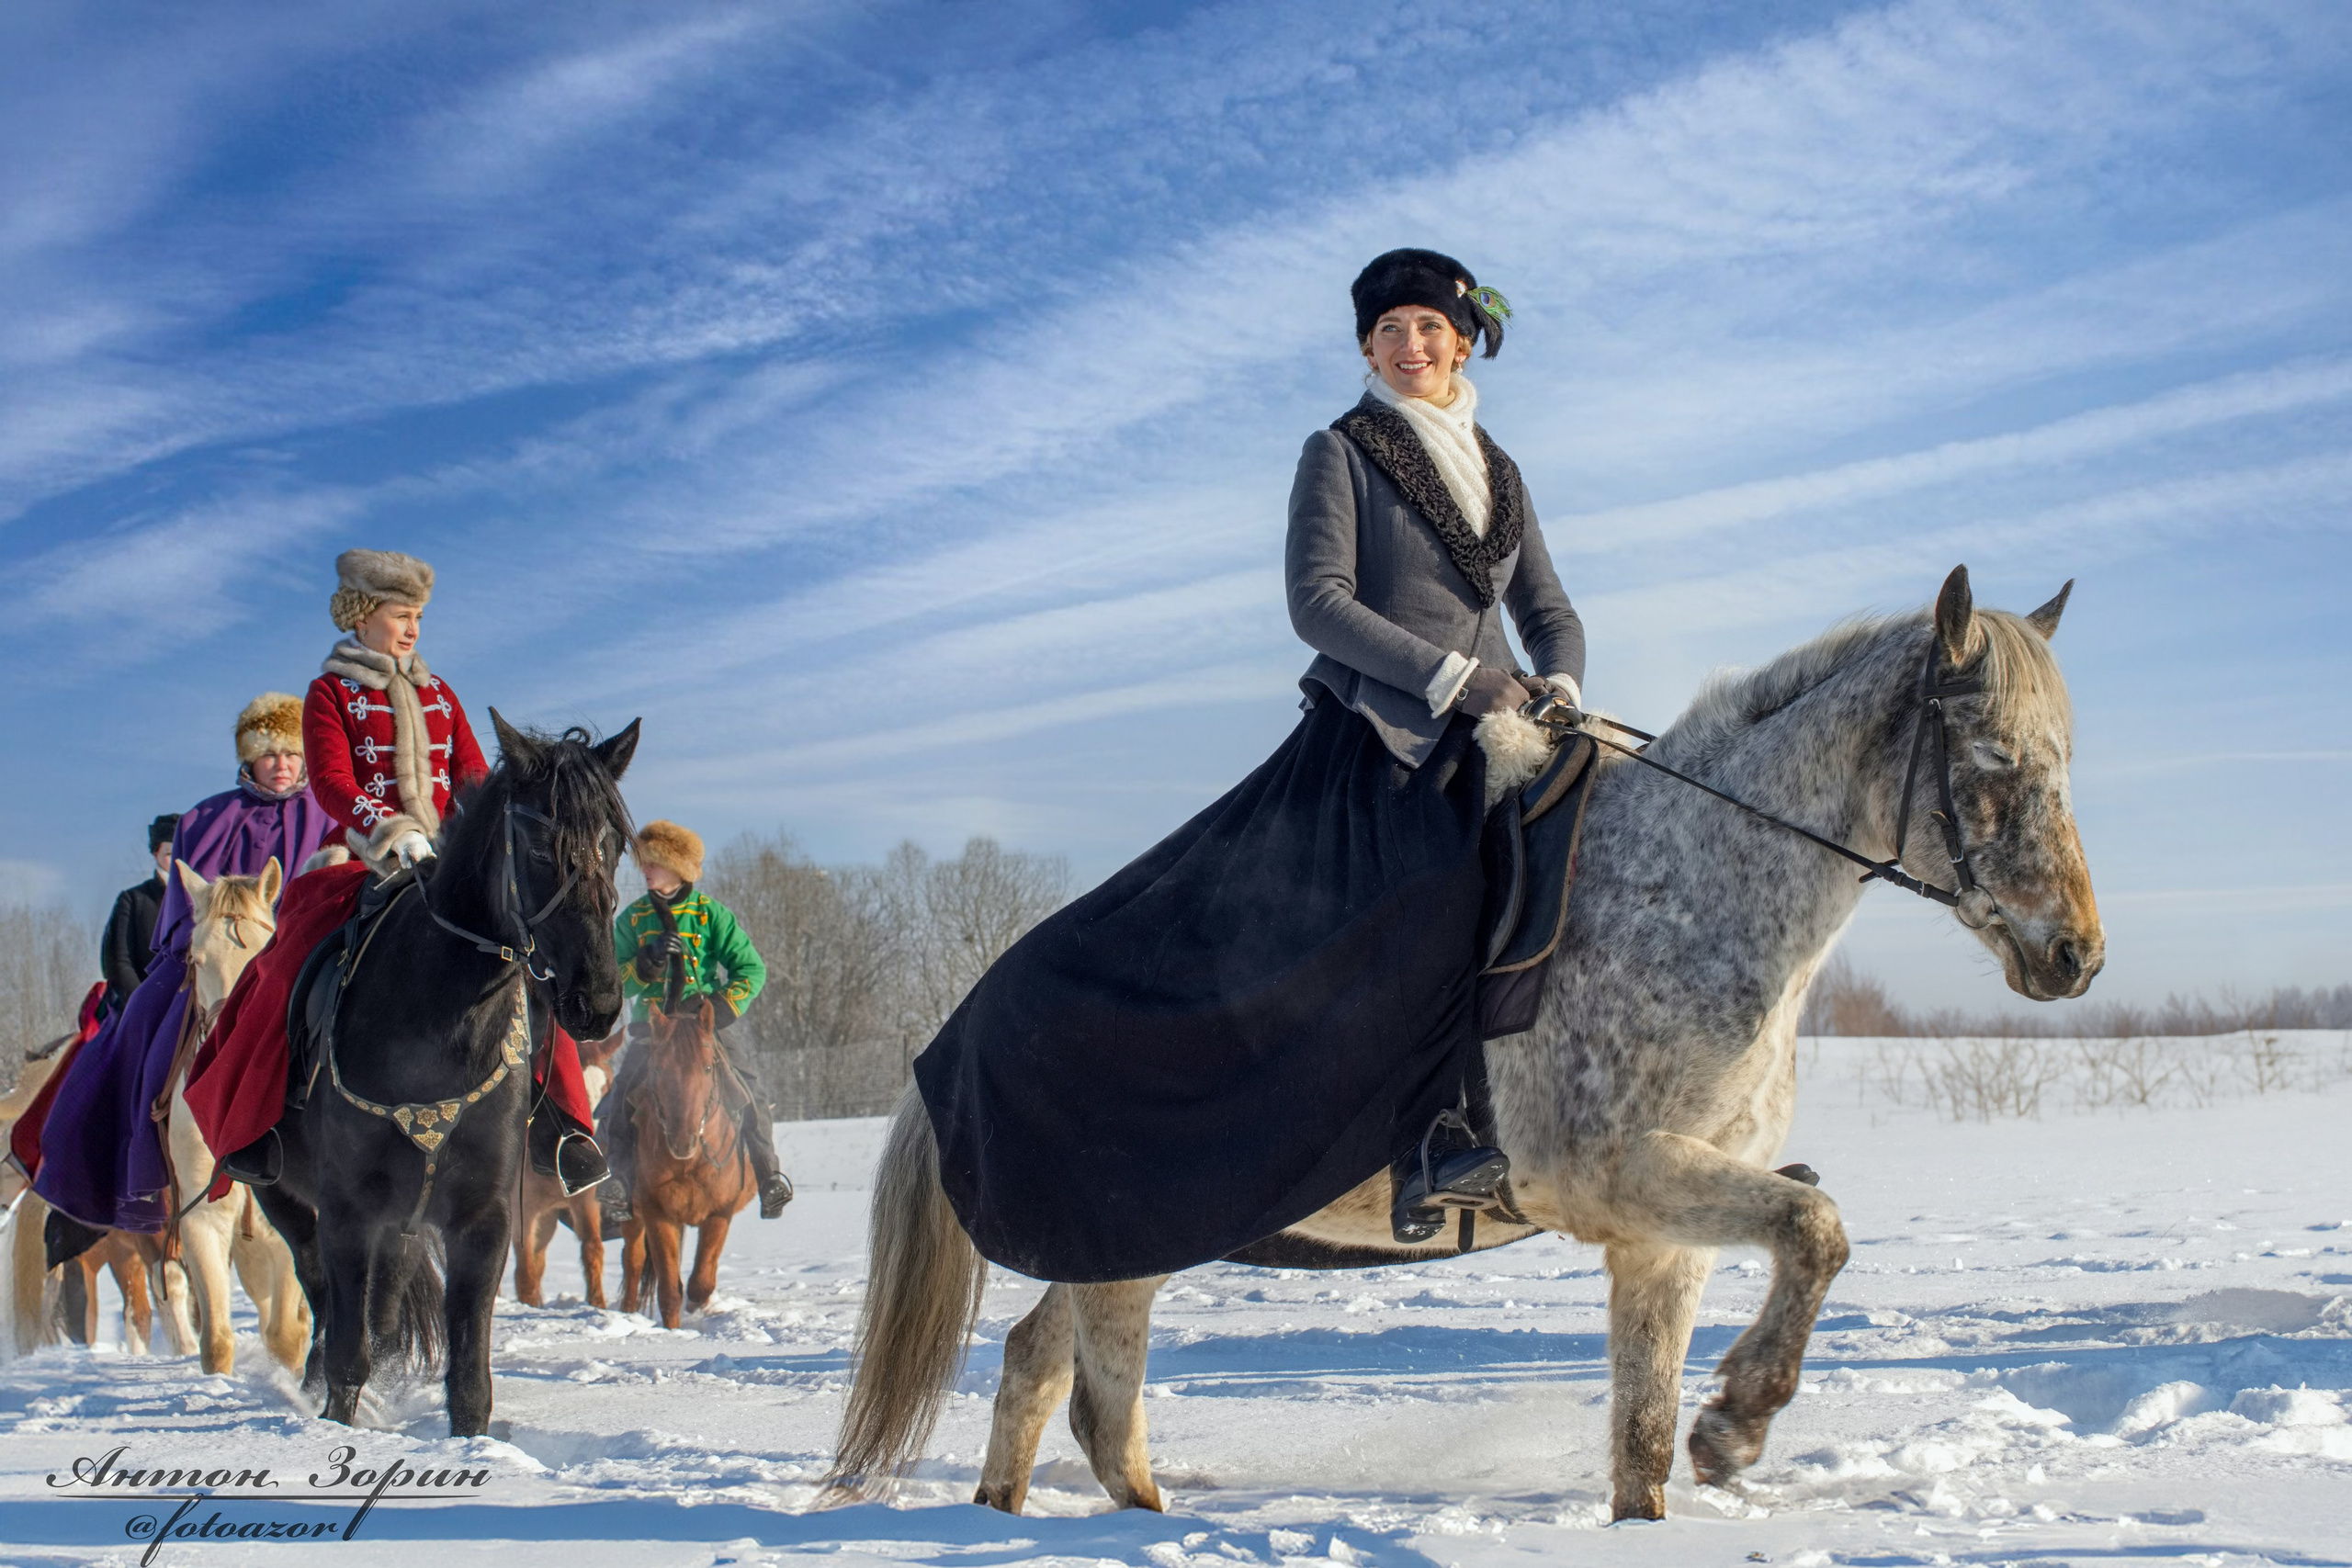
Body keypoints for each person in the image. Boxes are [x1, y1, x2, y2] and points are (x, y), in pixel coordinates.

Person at [910, 248, 1586, 1281]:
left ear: (1460, 342)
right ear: (1368, 348)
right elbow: (1318, 602)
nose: (1411, 346)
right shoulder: (1341, 451)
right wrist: (1456, 680)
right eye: (1390, 332)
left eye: (1428, 329)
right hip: (1384, 739)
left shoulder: (1500, 467)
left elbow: (1546, 612)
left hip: (1504, 732)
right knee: (1433, 897)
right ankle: (1429, 1140)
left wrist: (1562, 685)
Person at [190, 549, 607, 1194]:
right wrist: (395, 833)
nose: (413, 628)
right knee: (286, 966)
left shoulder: (440, 693)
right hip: (363, 862)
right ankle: (259, 1125)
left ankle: (563, 1126)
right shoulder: (330, 692)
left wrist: (467, 841)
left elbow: (474, 778)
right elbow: (329, 782)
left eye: (418, 617)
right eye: (401, 614)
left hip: (449, 867)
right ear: (363, 614)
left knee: (531, 960)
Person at [33, 694, 334, 1233]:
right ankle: (136, 1158)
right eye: (271, 754)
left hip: (302, 953)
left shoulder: (326, 814)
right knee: (142, 1022)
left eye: (292, 752)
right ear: (249, 758)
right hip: (211, 958)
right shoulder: (207, 817)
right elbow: (181, 909)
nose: (284, 764)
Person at [599, 821, 792, 1223]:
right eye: (644, 862)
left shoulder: (711, 915)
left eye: (653, 862)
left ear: (678, 866)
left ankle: (768, 1175)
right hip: (654, 1032)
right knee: (617, 1102)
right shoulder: (632, 920)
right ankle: (618, 1182)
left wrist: (719, 1009)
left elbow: (751, 971)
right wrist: (645, 965)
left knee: (751, 1092)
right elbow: (613, 982)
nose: (645, 870)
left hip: (705, 1028)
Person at [99, 815, 179, 1018]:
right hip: (146, 1006)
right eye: (170, 852)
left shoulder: (204, 898)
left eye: (183, 851)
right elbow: (119, 960)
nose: (178, 859)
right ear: (156, 853)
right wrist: (142, 1004)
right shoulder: (133, 899)